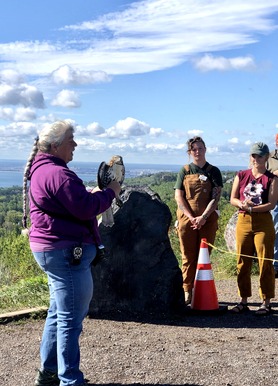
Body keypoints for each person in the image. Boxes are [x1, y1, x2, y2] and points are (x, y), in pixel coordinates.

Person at [22, 120, 121, 386]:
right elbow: (86, 208)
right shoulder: (57, 173)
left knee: (58, 313)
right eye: (71, 140)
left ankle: (50, 373)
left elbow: (70, 202)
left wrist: (89, 194)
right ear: (55, 146)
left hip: (53, 249)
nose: (75, 144)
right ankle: (70, 380)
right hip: (66, 252)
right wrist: (110, 192)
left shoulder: (43, 170)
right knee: (70, 319)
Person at [230, 142, 278, 315]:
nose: (255, 159)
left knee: (265, 261)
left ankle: (266, 301)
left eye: (259, 156)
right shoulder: (241, 175)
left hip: (263, 222)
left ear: (266, 157)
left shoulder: (272, 179)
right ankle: (243, 300)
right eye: (253, 155)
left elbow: (271, 204)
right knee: (242, 261)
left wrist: (251, 208)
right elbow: (232, 199)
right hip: (243, 221)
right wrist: (242, 204)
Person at [174, 136, 223, 305]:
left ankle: (201, 290)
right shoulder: (185, 171)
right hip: (187, 220)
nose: (197, 151)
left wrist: (203, 217)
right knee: (188, 256)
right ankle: (187, 291)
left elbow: (216, 196)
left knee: (204, 257)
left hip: (207, 220)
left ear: (205, 149)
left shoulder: (213, 171)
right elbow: (179, 196)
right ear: (189, 152)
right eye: (194, 149)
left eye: (200, 148)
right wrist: (190, 217)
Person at [266, 136, 278, 277]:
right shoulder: (268, 158)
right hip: (275, 202)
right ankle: (275, 266)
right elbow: (260, 175)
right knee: (275, 232)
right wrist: (274, 174)